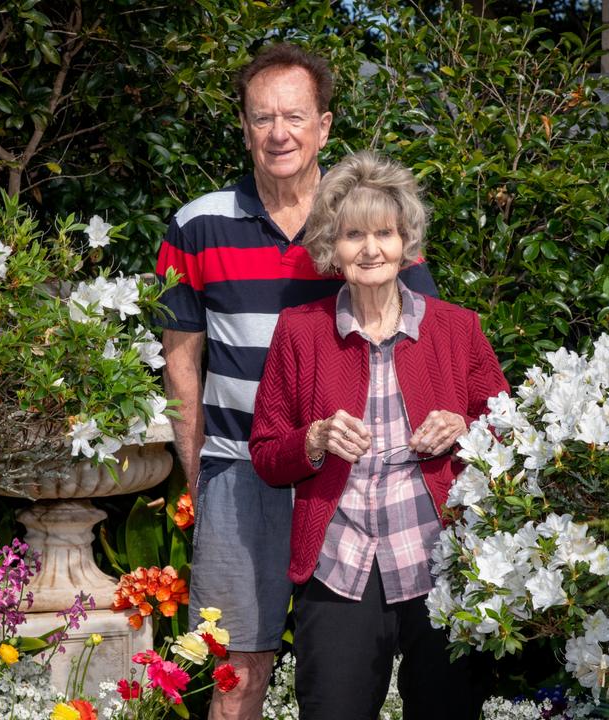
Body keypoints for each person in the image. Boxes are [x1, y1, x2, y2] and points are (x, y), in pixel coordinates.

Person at [156, 46, 438, 719]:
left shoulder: (366, 224)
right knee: (237, 667)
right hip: (238, 475)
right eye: (262, 118)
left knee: (357, 666)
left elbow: (424, 340)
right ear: (245, 128)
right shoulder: (197, 227)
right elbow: (180, 363)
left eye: (294, 116)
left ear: (325, 126)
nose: (278, 132)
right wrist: (203, 476)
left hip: (351, 478)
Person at [249, 151, 509, 720]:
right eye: (353, 234)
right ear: (330, 248)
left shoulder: (457, 328)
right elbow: (267, 453)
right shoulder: (300, 333)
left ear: (406, 242)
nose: (370, 249)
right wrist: (314, 439)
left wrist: (466, 429)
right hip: (339, 565)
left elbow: (510, 433)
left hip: (440, 561)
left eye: (385, 233)